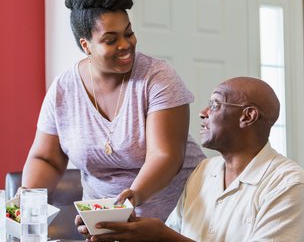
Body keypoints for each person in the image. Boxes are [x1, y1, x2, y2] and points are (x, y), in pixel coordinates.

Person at [21, 0, 204, 222]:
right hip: (104, 224)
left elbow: (166, 156)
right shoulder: (63, 89)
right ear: (86, 45)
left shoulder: (158, 78)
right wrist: (28, 201)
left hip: (178, 219)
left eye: (128, 33)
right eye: (111, 39)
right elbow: (47, 158)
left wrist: (131, 199)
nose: (125, 45)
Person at [85, 77, 304, 242]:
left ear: (247, 116)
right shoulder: (203, 171)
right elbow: (175, 234)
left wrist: (163, 237)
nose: (203, 112)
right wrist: (121, 229)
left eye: (216, 104)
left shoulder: (287, 185)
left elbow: (170, 238)